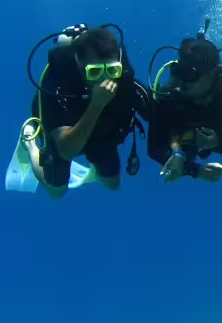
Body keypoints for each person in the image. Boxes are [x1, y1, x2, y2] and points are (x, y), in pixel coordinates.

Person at [22, 24, 151, 198]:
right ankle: (29, 144)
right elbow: (67, 151)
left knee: (113, 184)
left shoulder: (123, 80)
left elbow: (156, 113)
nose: (105, 80)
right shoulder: (57, 83)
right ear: (78, 61)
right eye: (95, 72)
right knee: (56, 192)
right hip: (63, 136)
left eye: (112, 70)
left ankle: (94, 167)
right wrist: (97, 104)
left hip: (99, 133)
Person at [147, 30, 222, 183]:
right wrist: (194, 169)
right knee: (182, 156)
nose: (184, 82)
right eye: (181, 73)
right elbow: (154, 147)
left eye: (192, 76)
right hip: (187, 133)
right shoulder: (170, 92)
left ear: (213, 73)